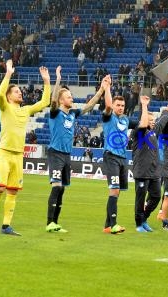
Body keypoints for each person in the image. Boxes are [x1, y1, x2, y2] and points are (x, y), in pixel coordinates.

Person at [0, 60, 51, 236]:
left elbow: (45, 102)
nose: (19, 92)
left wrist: (46, 81)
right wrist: (8, 74)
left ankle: (6, 226)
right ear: (9, 96)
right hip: (4, 154)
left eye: (19, 91)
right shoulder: (4, 107)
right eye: (15, 91)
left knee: (13, 192)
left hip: (18, 156)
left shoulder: (26, 110)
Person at [46, 67, 106, 233]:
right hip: (55, 153)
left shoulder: (72, 113)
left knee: (62, 189)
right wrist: (57, 80)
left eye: (71, 96)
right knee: (56, 186)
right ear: (60, 100)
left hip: (66, 155)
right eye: (68, 96)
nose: (71, 98)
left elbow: (89, 106)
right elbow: (52, 101)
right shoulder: (55, 113)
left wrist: (101, 89)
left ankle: (55, 224)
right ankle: (49, 222)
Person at [101, 80, 141, 234]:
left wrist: (145, 108)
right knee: (115, 190)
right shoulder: (109, 117)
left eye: (122, 106)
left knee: (117, 191)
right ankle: (113, 225)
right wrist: (107, 88)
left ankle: (107, 225)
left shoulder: (125, 119)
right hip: (111, 156)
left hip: (123, 158)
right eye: (118, 105)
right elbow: (108, 106)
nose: (120, 108)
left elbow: (140, 124)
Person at [130, 102, 168, 233]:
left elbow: (161, 123)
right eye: (151, 120)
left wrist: (167, 112)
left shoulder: (153, 133)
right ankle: (138, 224)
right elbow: (143, 124)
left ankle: (144, 218)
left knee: (156, 196)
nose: (153, 122)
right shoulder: (139, 132)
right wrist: (144, 106)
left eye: (154, 120)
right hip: (142, 171)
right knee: (140, 199)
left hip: (154, 172)